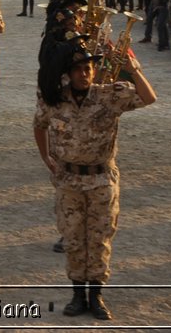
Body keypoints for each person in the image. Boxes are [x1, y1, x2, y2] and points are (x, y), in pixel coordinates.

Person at [34, 38, 157, 320]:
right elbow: (39, 125)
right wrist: (47, 158)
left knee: (100, 238)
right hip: (69, 180)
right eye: (78, 69)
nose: (84, 73)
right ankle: (78, 294)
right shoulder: (54, 98)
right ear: (68, 72)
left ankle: (96, 295)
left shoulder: (109, 95)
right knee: (74, 237)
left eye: (88, 68)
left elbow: (149, 98)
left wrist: (134, 69)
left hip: (102, 178)